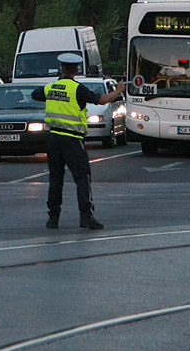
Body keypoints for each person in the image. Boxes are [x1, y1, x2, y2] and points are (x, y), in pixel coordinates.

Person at [32, 53, 125, 231]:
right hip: (72, 139)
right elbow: (103, 100)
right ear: (76, 69)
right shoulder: (78, 89)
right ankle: (86, 217)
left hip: (53, 139)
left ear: (61, 68)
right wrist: (119, 90)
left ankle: (53, 218)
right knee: (82, 178)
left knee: (55, 179)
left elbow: (35, 94)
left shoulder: (50, 87)